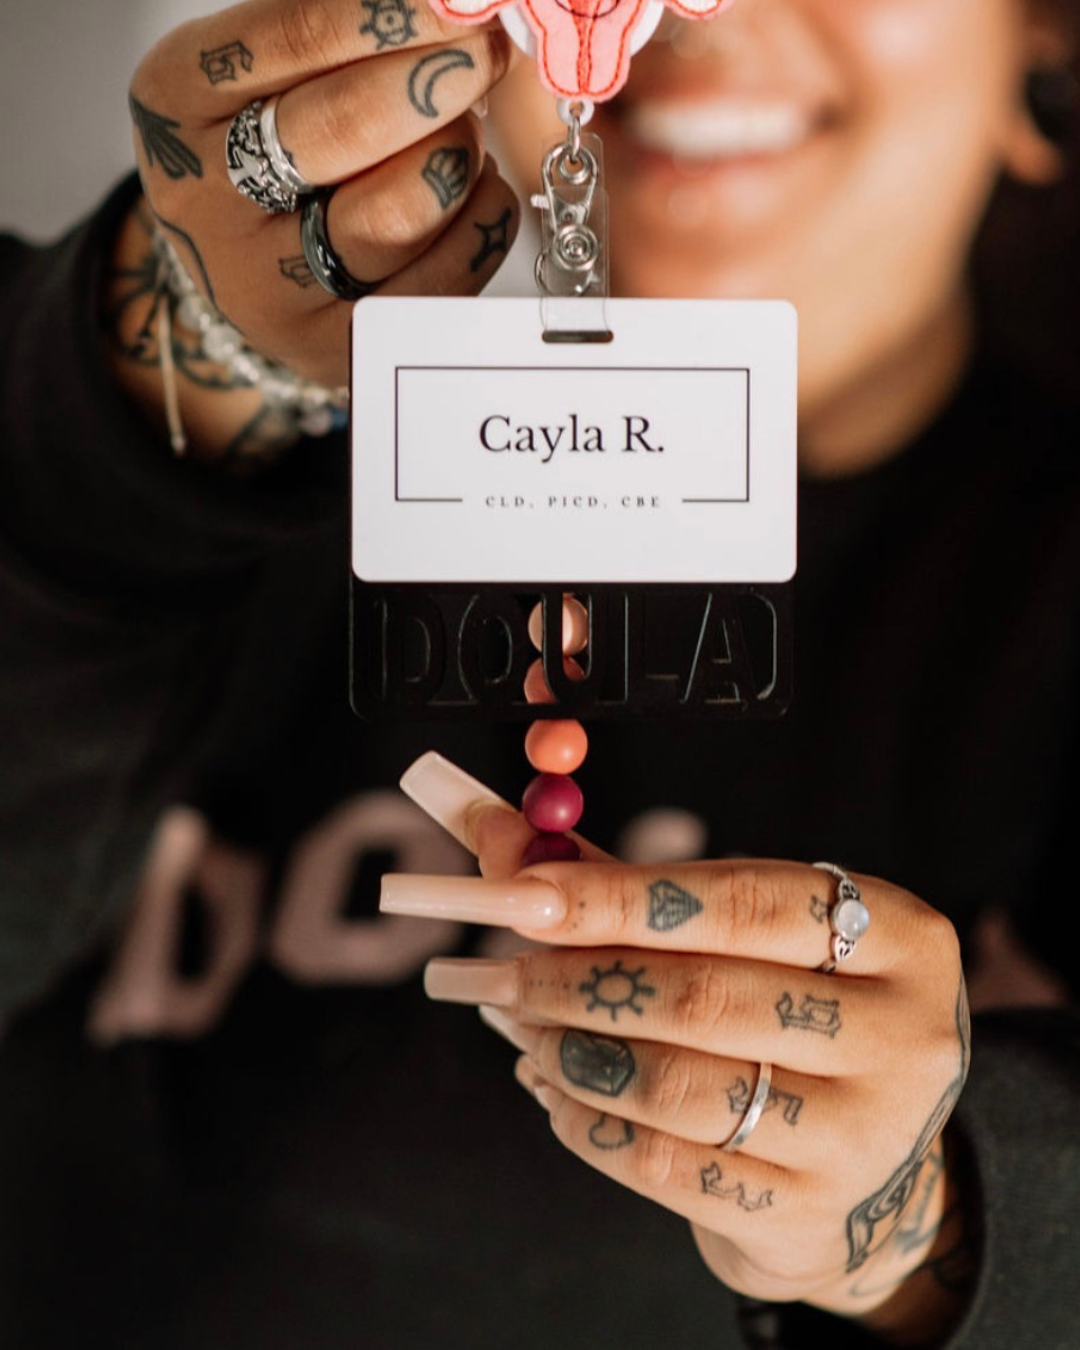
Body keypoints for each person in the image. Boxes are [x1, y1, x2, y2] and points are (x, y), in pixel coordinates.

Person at [1, 1, 1078, 1347]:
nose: (703, 9)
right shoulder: (224, 504)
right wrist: (174, 373)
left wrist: (942, 1220)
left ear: (1041, 39)